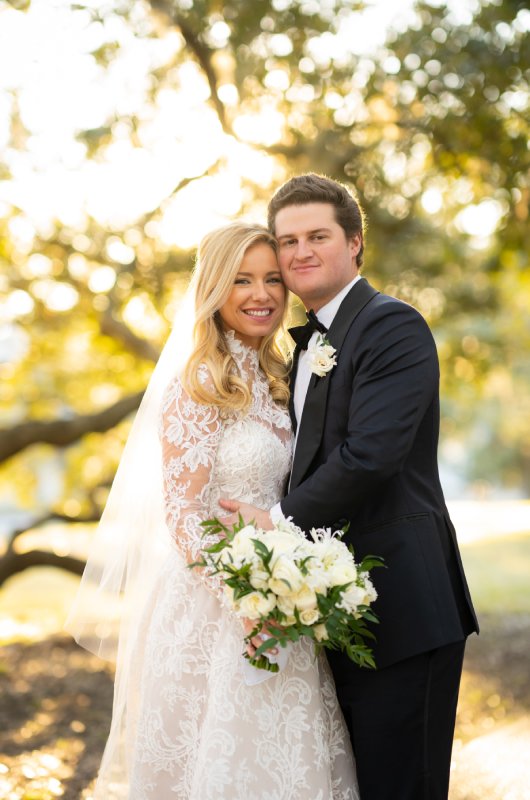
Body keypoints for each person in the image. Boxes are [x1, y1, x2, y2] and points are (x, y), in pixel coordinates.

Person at [66, 221, 358, 799]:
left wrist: (284, 589)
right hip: (213, 607)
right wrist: (247, 597)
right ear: (214, 289)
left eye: (273, 279)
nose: (261, 294)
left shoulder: (281, 377)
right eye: (241, 280)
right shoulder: (197, 381)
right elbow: (183, 515)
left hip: (281, 600)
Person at [220, 174, 480, 800]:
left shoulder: (392, 326)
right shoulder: (301, 348)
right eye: (288, 241)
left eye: (318, 236)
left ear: (355, 243)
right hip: (335, 609)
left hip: (404, 604)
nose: (300, 252)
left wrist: (275, 523)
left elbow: (372, 456)